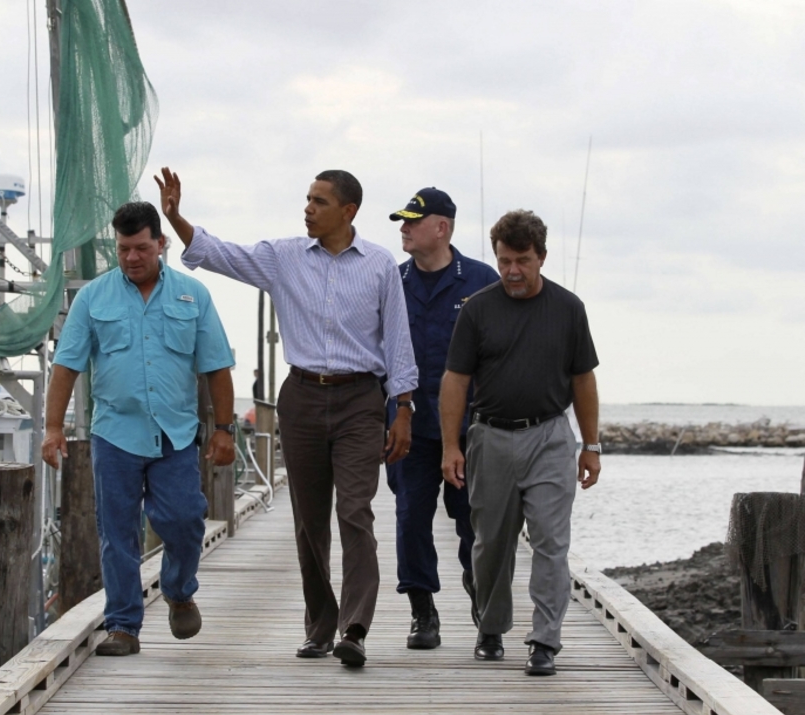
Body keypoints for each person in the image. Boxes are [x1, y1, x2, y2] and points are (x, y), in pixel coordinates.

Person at [156, 166, 418, 667]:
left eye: (319, 201)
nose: (308, 208)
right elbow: (219, 253)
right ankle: (320, 627)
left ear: (349, 211)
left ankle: (355, 628)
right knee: (309, 521)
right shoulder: (283, 258)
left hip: (362, 398)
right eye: (307, 199)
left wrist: (402, 408)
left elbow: (399, 343)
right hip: (300, 397)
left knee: (355, 512)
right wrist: (177, 218)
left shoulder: (382, 266)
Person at [42, 201, 236, 657]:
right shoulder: (93, 297)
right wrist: (53, 427)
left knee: (186, 519)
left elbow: (218, 368)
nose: (132, 257)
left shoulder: (193, 295)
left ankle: (178, 588)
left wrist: (224, 429)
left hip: (175, 433)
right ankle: (123, 626)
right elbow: (66, 365)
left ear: (161, 244)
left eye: (142, 248)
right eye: (124, 248)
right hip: (115, 434)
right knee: (117, 532)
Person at [439, 209, 601, 677]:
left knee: (551, 541)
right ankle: (490, 628)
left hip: (550, 436)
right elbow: (455, 381)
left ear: (541, 258)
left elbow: (584, 379)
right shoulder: (477, 309)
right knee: (492, 543)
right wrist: (452, 446)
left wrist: (591, 445)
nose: (512, 270)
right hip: (489, 436)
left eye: (522, 261)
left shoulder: (569, 308)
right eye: (505, 260)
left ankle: (545, 641)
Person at [386, 188, 498, 650]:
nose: (404, 228)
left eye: (413, 221)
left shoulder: (481, 281)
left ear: (442, 227)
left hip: (469, 427)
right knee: (411, 516)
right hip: (407, 423)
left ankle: (481, 601)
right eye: (402, 221)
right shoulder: (391, 282)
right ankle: (422, 612)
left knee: (474, 520)